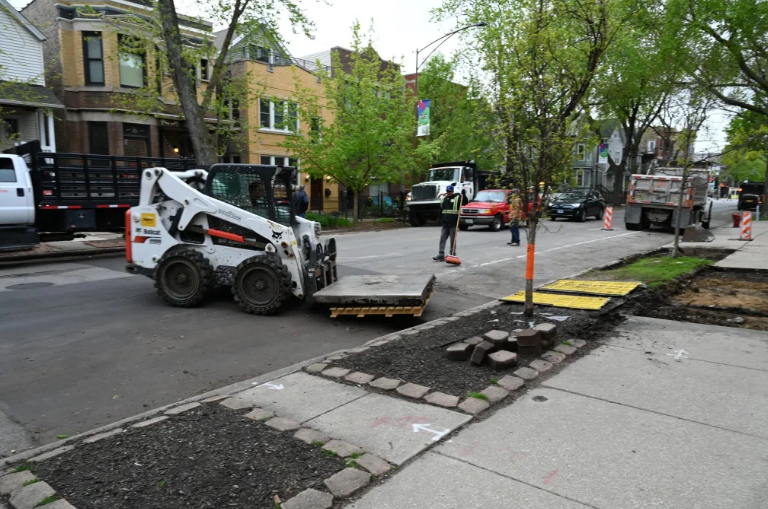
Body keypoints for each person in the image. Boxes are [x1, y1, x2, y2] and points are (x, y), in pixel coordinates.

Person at [433, 185, 468, 261]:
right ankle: (441, 254)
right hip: (445, 223)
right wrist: (439, 219)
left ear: (452, 191)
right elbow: (441, 211)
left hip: (453, 223)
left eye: (450, 191)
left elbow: (465, 203)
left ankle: (452, 254)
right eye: (447, 191)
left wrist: (464, 195)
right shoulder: (443, 199)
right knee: (442, 239)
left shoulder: (457, 198)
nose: (448, 193)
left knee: (453, 239)